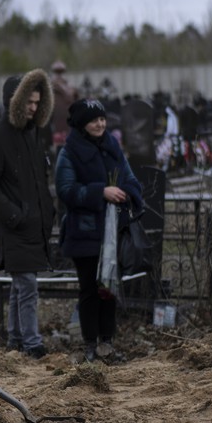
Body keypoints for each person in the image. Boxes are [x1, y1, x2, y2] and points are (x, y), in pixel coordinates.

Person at [55, 99, 142, 363]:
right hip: (84, 232)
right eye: (94, 120)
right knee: (90, 290)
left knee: (109, 289)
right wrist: (100, 192)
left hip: (111, 231)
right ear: (82, 124)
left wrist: (127, 194)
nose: (100, 124)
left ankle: (107, 343)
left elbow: (129, 177)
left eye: (103, 119)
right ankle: (90, 344)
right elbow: (66, 190)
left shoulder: (112, 145)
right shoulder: (69, 152)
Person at [0, 69, 55, 359]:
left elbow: (38, 179)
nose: (34, 108)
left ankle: (16, 340)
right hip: (15, 226)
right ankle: (32, 344)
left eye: (38, 102)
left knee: (22, 287)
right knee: (27, 285)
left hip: (34, 224)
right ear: (15, 101)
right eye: (29, 102)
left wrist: (47, 210)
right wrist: (14, 215)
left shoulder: (33, 133)